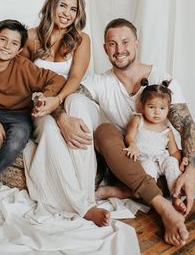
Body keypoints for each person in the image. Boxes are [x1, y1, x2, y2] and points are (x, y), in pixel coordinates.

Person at [73, 18, 194, 246]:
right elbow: (68, 92)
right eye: (112, 44)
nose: (119, 50)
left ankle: (144, 193)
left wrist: (192, 171)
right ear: (105, 48)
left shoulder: (163, 81)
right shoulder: (100, 81)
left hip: (157, 161)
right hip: (126, 157)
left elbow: (187, 125)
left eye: (125, 42)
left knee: (173, 171)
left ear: (137, 44)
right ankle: (163, 208)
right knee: (103, 130)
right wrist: (62, 116)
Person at [22, 0, 110, 227]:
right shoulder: (29, 38)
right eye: (63, 5)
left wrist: (58, 103)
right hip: (39, 101)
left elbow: (74, 79)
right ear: (52, 4)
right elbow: (22, 80)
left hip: (70, 97)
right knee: (50, 131)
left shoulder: (81, 40)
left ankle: (85, 196)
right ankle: (81, 204)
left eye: (74, 9)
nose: (67, 13)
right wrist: (53, 112)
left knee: (79, 110)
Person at [0, 19, 65, 194]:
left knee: (19, 136)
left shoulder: (24, 66)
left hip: (18, 117)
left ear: (20, 50)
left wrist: (44, 95)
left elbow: (58, 79)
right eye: (3, 39)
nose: (7, 46)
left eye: (14, 43)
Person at [123, 81, 189, 214]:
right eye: (152, 107)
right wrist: (133, 145)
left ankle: (176, 196)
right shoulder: (138, 120)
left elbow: (174, 151)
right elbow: (129, 136)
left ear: (168, 110)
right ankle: (151, 196)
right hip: (144, 159)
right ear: (142, 106)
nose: (157, 112)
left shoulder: (166, 129)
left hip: (161, 159)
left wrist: (181, 161)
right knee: (147, 168)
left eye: (162, 108)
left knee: (171, 162)